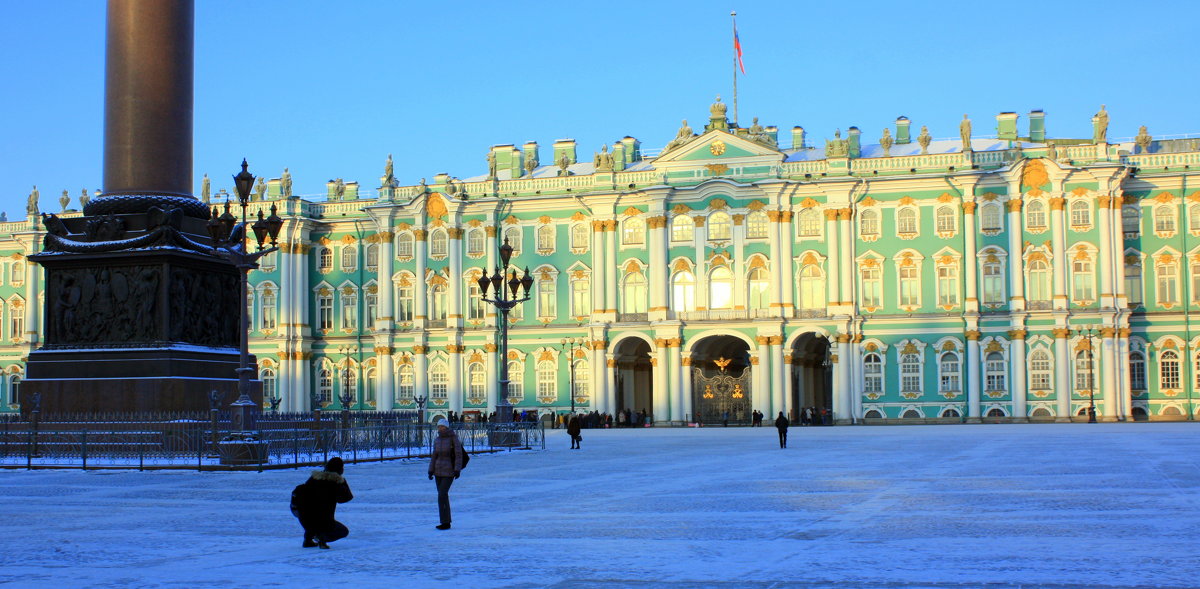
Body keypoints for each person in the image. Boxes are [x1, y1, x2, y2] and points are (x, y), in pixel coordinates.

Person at [293, 457, 353, 549]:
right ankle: (322, 539)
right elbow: (346, 498)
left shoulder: (314, 478)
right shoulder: (335, 483)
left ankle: (308, 540)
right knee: (343, 531)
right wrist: (342, 481)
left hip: (304, 518)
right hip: (324, 520)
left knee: (313, 519)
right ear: (340, 470)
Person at [428, 418, 465, 530]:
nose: (440, 428)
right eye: (438, 426)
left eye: (442, 426)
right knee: (441, 497)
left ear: (446, 427)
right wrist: (430, 470)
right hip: (438, 471)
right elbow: (434, 456)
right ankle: (444, 521)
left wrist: (457, 469)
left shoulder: (453, 439)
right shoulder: (437, 439)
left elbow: (458, 455)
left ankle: (446, 522)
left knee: (442, 494)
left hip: (449, 471)